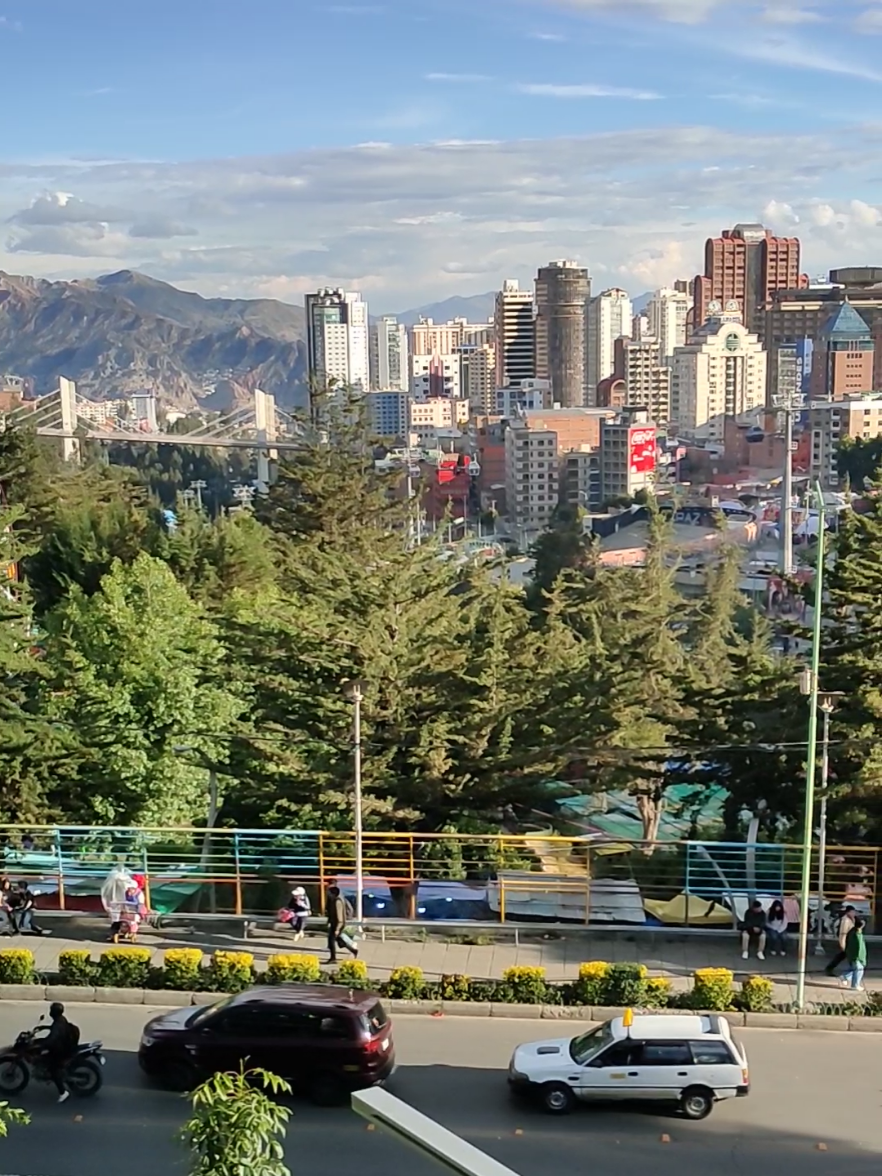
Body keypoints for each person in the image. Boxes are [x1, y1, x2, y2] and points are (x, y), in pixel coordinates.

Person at [40, 1001, 79, 1104]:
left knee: (53, 1068)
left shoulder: (58, 1024)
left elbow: (52, 1039)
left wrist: (42, 1045)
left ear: (54, 1012)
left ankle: (63, 1092)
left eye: (51, 1010)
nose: (50, 1012)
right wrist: (43, 1028)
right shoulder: (60, 1020)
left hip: (61, 1050)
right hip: (63, 1046)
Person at [326, 885, 358, 964]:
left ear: (333, 894)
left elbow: (339, 916)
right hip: (335, 923)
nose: (327, 894)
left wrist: (337, 929)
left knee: (331, 941)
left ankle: (333, 958)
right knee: (338, 940)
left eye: (329, 893)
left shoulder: (338, 902)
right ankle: (353, 950)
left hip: (338, 924)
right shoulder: (333, 900)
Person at [825, 905, 857, 977]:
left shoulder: (850, 919)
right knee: (845, 957)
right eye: (853, 912)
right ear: (848, 912)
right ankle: (830, 969)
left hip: (849, 940)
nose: (854, 913)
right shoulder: (845, 920)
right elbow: (843, 932)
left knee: (841, 957)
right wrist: (842, 944)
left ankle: (829, 969)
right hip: (846, 941)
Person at [842, 916, 867, 992]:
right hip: (857, 956)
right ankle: (855, 985)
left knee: (854, 969)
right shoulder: (857, 934)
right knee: (859, 970)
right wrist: (860, 957)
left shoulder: (853, 932)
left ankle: (845, 977)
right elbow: (859, 947)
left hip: (854, 955)